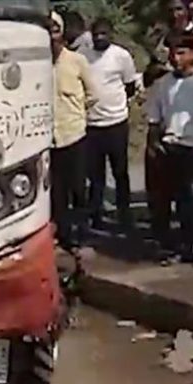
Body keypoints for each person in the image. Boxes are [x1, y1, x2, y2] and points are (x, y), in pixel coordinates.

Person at [146, 31, 193, 265]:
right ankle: (178, 248)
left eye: (181, 52)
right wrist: (154, 145)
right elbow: (155, 119)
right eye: (172, 53)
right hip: (170, 148)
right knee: (172, 200)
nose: (176, 58)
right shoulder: (163, 84)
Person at [80, 18, 138, 232]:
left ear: (111, 34)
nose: (100, 37)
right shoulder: (83, 57)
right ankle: (95, 215)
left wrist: (116, 105)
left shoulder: (121, 56)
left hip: (116, 123)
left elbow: (129, 86)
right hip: (91, 125)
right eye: (96, 34)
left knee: (120, 172)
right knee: (95, 175)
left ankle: (125, 215)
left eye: (104, 33)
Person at [49, 11, 99, 254]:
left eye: (54, 30)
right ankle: (64, 234)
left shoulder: (77, 61)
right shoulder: (37, 65)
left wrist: (77, 114)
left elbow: (93, 95)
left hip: (74, 135)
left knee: (78, 187)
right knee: (56, 191)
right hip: (49, 139)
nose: (51, 36)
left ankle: (83, 235)